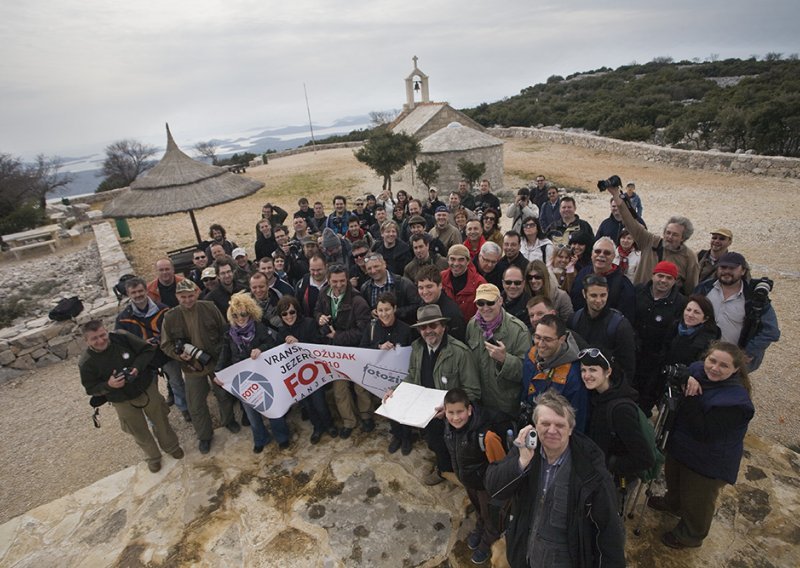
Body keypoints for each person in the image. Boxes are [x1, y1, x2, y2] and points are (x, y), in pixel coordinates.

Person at [485, 390, 626, 568]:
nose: (552, 430)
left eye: (559, 425)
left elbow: (608, 533)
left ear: (571, 429)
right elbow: (494, 488)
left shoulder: (591, 472)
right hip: (524, 554)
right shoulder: (526, 451)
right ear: (535, 425)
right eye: (545, 423)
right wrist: (521, 462)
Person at [648, 342, 755, 549]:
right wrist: (686, 377)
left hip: (708, 460)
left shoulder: (737, 403)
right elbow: (683, 370)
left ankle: (691, 534)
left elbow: (704, 431)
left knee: (698, 498)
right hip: (682, 446)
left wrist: (689, 395)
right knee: (675, 478)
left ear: (736, 370)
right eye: (712, 361)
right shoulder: (698, 370)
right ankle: (673, 503)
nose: (714, 368)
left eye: (723, 366)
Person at [79, 320, 183, 473]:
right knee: (137, 430)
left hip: (145, 387)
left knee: (161, 419)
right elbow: (91, 389)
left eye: (103, 335)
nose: (101, 341)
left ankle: (172, 447)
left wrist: (136, 368)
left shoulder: (121, 337)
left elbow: (147, 350)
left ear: (106, 331)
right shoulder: (86, 363)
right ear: (86, 340)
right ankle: (153, 457)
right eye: (94, 338)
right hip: (121, 399)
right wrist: (109, 385)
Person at [393, 304, 480, 485]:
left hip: (452, 418)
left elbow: (473, 391)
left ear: (443, 326)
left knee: (450, 449)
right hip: (426, 414)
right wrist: (396, 392)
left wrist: (450, 409)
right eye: (423, 327)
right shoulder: (417, 348)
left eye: (433, 326)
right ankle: (444, 468)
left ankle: (448, 473)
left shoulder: (460, 352)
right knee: (434, 444)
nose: (428, 331)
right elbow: (412, 375)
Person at [161, 279, 239, 454]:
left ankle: (228, 421)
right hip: (192, 368)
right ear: (177, 297)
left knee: (223, 395)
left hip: (215, 361)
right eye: (183, 297)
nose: (187, 300)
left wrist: (222, 355)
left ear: (196, 293)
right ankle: (204, 436)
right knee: (195, 404)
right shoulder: (170, 317)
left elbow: (224, 331)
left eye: (190, 296)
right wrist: (179, 355)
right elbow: (165, 344)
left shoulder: (209, 307)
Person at [443, 388, 510, 565]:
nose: (456, 417)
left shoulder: (486, 436)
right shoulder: (449, 427)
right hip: (468, 480)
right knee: (479, 509)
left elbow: (500, 464)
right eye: (451, 412)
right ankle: (480, 526)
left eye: (460, 412)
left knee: (491, 516)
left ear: (469, 410)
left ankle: (488, 540)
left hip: (486, 486)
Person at [215, 293, 290, 452]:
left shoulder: (259, 327)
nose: (240, 318)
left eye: (243, 314)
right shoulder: (229, 332)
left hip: (264, 375)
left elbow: (270, 344)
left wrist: (260, 349)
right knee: (250, 412)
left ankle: (282, 436)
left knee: (271, 406)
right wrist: (218, 373)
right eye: (235, 315)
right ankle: (260, 438)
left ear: (250, 312)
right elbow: (225, 353)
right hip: (243, 378)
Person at [116, 277, 190, 422]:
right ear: (128, 294)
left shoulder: (163, 309)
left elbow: (174, 330)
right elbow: (120, 342)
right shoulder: (123, 319)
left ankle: (185, 408)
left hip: (165, 354)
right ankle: (156, 418)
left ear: (146, 290)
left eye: (140, 291)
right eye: (134, 292)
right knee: (150, 389)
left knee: (177, 382)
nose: (138, 295)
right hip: (144, 360)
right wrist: (142, 344)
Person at [605, 182, 700, 295]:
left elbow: (691, 288)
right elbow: (630, 222)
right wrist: (616, 195)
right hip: (640, 299)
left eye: (675, 235)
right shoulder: (650, 241)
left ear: (683, 238)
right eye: (667, 233)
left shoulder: (689, 257)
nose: (669, 237)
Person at [579, 347, 655, 484]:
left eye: (593, 370)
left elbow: (645, 458)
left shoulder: (620, 410)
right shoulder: (596, 396)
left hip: (614, 481)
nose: (586, 375)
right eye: (583, 370)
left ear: (608, 372)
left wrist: (609, 463)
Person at [694, 252, 780, 371]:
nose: (727, 271)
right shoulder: (704, 288)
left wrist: (749, 352)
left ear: (743, 271)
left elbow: (771, 331)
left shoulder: (754, 299)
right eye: (723, 267)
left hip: (732, 363)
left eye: (732, 268)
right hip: (701, 356)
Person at [315, 263, 373, 438]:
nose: (338, 285)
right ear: (328, 280)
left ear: (347, 280)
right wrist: (320, 318)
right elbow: (317, 310)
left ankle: (366, 416)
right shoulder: (323, 294)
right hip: (334, 353)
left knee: (360, 387)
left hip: (354, 351)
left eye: (342, 281)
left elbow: (363, 331)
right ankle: (349, 421)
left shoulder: (358, 301)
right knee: (340, 390)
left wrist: (337, 336)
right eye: (334, 281)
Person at [276, 295, 338, 444]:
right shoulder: (281, 333)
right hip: (297, 378)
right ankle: (317, 428)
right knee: (308, 405)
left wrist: (299, 344)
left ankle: (329, 425)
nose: (289, 316)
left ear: (297, 311)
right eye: (284, 314)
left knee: (320, 403)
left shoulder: (309, 324)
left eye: (292, 312)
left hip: (314, 373)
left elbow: (317, 345)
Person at [360, 293, 415, 455]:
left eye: (387, 310)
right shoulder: (371, 328)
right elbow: (362, 349)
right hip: (381, 376)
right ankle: (396, 435)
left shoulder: (406, 329)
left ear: (395, 309)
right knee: (388, 404)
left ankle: (407, 437)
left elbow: (413, 352)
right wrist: (378, 347)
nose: (384, 314)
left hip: (401, 375)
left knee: (403, 405)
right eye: (380, 310)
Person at [466, 283, 531, 417]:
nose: (485, 308)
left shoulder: (519, 330)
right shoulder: (472, 325)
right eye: (480, 303)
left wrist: (505, 359)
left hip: (506, 406)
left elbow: (527, 371)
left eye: (490, 303)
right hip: (479, 404)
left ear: (500, 301)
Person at [632, 261, 688, 415]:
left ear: (675, 281)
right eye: (660, 276)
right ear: (653, 276)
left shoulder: (681, 303)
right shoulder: (638, 291)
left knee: (647, 396)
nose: (663, 280)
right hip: (633, 352)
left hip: (656, 360)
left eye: (669, 278)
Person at [522, 314, 589, 431]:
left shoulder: (573, 375)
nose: (541, 344)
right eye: (537, 337)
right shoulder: (531, 354)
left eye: (547, 339)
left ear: (562, 339)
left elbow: (577, 422)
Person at [568, 274, 637, 381]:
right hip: (580, 381)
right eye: (594, 295)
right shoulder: (574, 319)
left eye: (603, 295)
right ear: (584, 294)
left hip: (607, 385)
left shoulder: (620, 326)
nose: (599, 300)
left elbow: (627, 367)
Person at [570, 236, 637, 324]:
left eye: (607, 253)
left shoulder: (624, 285)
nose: (601, 255)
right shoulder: (582, 273)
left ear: (613, 256)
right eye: (597, 251)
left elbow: (626, 319)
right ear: (592, 254)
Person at [360, 252, 420, 324]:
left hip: (402, 328)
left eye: (376, 266)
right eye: (369, 268)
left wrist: (394, 312)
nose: (373, 271)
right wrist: (371, 313)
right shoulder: (365, 289)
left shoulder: (404, 284)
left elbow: (417, 306)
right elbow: (363, 312)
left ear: (384, 264)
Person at [664, 294, 721, 367]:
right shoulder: (675, 326)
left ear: (705, 319)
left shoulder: (708, 336)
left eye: (696, 312)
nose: (690, 315)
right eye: (688, 310)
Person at [415, 265, 467, 343]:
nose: (425, 292)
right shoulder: (422, 305)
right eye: (421, 288)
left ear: (440, 285)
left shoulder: (452, 313)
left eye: (429, 286)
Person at [441, 244, 486, 321]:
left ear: (468, 261)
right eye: (452, 259)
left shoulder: (479, 283)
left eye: (461, 259)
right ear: (448, 260)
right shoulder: (441, 278)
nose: (456, 263)